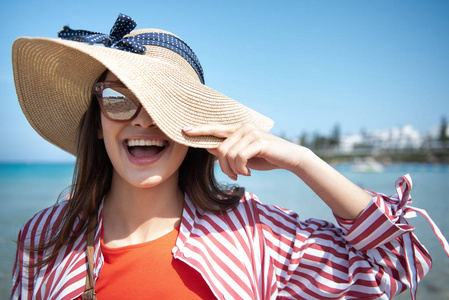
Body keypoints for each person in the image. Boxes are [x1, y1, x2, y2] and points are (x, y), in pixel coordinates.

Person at [10, 14, 448, 300]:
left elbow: (397, 265)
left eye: (165, 105)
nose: (143, 121)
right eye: (119, 100)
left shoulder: (255, 233)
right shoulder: (43, 238)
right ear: (98, 119)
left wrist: (302, 161)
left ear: (193, 125)